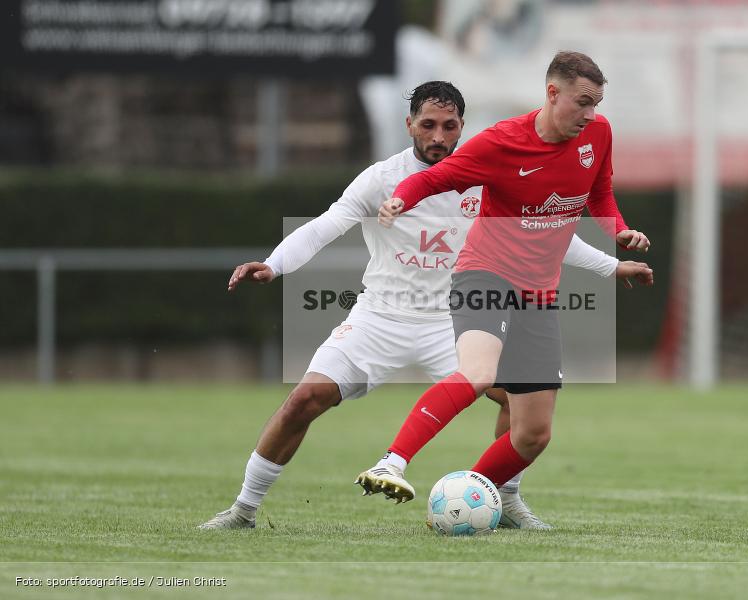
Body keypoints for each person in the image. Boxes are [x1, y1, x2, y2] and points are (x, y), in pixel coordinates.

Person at [198, 80, 650, 530]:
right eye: (428, 124)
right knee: (304, 398)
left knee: (520, 401)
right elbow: (324, 226)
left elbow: (549, 232)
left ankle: (504, 497)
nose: (438, 136)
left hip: (454, 319)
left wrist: (610, 266)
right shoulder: (381, 179)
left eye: (449, 126)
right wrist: (274, 265)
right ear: (409, 124)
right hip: (380, 315)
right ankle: (243, 510)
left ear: (461, 127)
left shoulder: (484, 171)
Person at [357, 52, 651, 521]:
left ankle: (473, 499)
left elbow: (599, 194)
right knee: (477, 374)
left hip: (540, 293)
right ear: (552, 93)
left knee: (533, 433)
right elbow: (435, 178)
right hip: (484, 274)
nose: (591, 114)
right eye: (582, 102)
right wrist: (399, 200)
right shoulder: (501, 142)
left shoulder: (598, 134)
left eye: (596, 104)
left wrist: (619, 232)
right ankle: (391, 462)